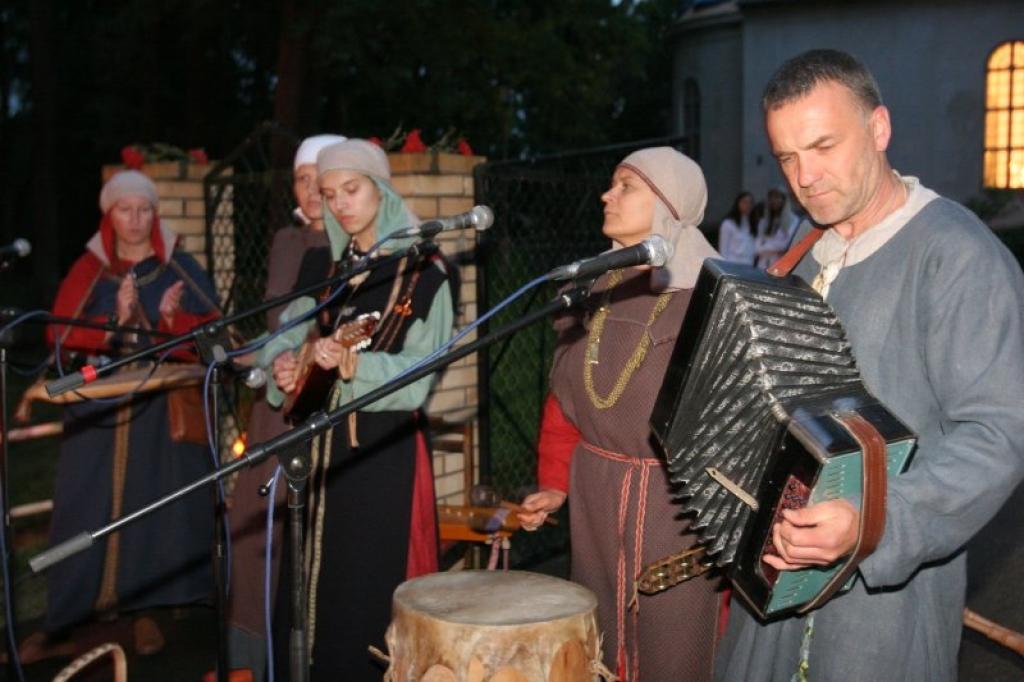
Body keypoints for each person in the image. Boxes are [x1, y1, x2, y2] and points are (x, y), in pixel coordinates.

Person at [715, 49, 1024, 681]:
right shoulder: (799, 260)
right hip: (772, 595)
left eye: (824, 146)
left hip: (883, 614)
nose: (805, 176)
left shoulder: (958, 257)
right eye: (788, 157)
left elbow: (999, 433)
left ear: (879, 129)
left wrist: (879, 521)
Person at [517, 147, 724, 681]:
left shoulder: (711, 297)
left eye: (626, 185)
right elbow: (565, 402)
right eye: (612, 184)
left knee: (675, 648)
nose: (607, 195)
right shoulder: (586, 291)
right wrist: (556, 485)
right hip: (595, 494)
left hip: (676, 505)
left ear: (668, 204)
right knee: (598, 641)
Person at [270, 139, 453, 680]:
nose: (340, 204)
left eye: (352, 189)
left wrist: (355, 370)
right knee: (308, 594)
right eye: (329, 195)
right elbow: (292, 338)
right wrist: (289, 367)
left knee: (362, 597)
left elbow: (419, 379)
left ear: (382, 189)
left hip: (380, 456)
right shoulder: (328, 267)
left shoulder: (425, 273)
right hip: (317, 458)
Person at [39, 169, 220, 657]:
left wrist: (166, 319)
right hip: (97, 416)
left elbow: (214, 331)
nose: (136, 220)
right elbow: (58, 335)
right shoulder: (90, 270)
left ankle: (151, 611)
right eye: (125, 210)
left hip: (158, 414)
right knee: (84, 507)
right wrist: (114, 321)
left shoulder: (180, 267)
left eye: (144, 210)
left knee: (155, 509)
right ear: (109, 216)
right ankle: (71, 614)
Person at [226, 133, 345, 680]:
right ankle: (256, 660)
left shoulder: (368, 245)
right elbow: (281, 323)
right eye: (302, 177)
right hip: (277, 404)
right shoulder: (286, 241)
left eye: (323, 175)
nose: (312, 187)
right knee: (259, 526)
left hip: (330, 404)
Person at [753, 186, 799, 269]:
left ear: (784, 200)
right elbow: (756, 246)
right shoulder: (763, 221)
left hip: (780, 265)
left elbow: (785, 245)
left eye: (777, 197)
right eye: (771, 197)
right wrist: (769, 247)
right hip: (762, 265)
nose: (774, 201)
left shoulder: (793, 220)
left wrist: (765, 247)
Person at [717, 191, 757, 265]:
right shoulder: (728, 223)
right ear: (738, 203)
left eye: (750, 203)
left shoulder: (752, 223)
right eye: (745, 202)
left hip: (749, 265)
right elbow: (723, 249)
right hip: (733, 264)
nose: (748, 205)